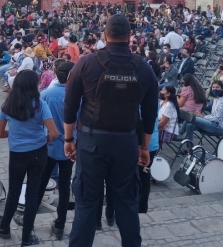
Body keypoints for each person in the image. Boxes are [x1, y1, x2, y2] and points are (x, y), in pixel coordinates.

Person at [63, 14, 158, 247]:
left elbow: (70, 105)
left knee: (86, 204)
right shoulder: (144, 68)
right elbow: (150, 114)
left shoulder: (85, 63)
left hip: (92, 141)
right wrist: (144, 146)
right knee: (126, 204)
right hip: (126, 143)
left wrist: (68, 139)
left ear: (105, 36)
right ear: (129, 37)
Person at [0, 70, 59, 246]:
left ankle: (4, 227)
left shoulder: (7, 106)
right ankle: (27, 237)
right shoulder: (40, 105)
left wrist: (15, 133)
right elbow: (55, 132)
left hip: (17, 154)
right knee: (33, 195)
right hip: (38, 153)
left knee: (14, 192)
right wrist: (45, 137)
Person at [14, 61, 75, 240]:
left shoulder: (47, 94)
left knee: (39, 184)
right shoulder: (76, 95)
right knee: (64, 186)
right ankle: (60, 224)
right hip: (69, 147)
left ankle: (28, 220)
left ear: (55, 72)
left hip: (49, 146)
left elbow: (40, 121)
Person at [180, 80, 223, 152]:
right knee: (189, 125)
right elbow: (213, 115)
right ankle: (189, 149)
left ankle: (179, 133)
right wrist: (203, 117)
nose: (215, 89)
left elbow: (216, 118)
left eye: (217, 87)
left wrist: (203, 116)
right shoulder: (216, 98)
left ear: (222, 89)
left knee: (192, 117)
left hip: (219, 127)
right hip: (211, 123)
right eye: (213, 87)